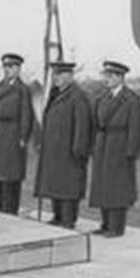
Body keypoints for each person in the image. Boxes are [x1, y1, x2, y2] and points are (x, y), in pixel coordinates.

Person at [33, 61, 94, 229]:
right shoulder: (54, 95)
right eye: (55, 75)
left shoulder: (77, 96)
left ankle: (68, 219)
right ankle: (58, 216)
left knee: (68, 187)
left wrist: (79, 149)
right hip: (55, 150)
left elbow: (82, 125)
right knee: (56, 185)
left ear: (70, 76)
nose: (56, 78)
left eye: (60, 74)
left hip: (69, 150)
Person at [88, 61, 140, 237]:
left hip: (120, 147)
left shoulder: (131, 99)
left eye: (110, 76)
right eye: (106, 76)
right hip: (103, 146)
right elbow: (95, 124)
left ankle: (116, 227)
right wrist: (93, 146)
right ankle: (105, 224)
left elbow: (136, 128)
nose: (107, 79)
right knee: (103, 186)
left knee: (118, 188)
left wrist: (131, 151)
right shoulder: (102, 97)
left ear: (120, 77)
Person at [0, 53, 35, 215]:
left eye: (11, 67)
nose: (8, 70)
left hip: (12, 133)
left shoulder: (22, 90)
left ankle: (10, 208)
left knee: (11, 174)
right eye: (5, 67)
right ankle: (0, 205)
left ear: (18, 69)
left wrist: (23, 136)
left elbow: (26, 114)